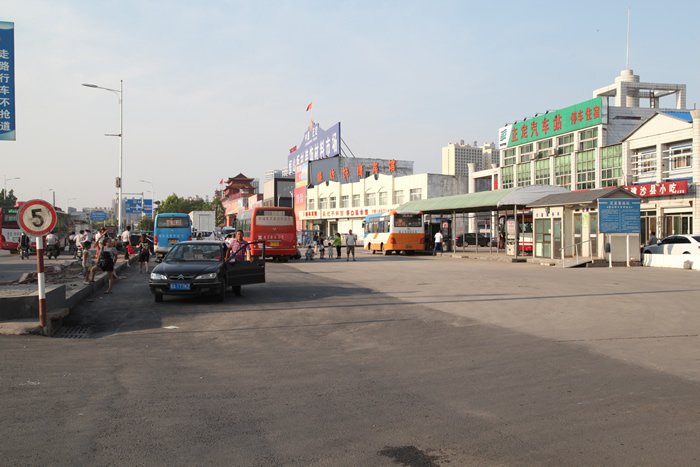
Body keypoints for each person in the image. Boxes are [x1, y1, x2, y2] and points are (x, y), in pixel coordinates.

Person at [225, 230, 251, 297]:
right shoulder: (233, 242)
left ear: (243, 235)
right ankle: (233, 289)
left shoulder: (245, 243)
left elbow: (248, 250)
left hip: (240, 262)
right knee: (233, 276)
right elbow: (228, 249)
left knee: (238, 278)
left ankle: (238, 292)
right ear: (236, 235)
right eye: (238, 234)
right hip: (232, 262)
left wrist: (250, 258)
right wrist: (226, 258)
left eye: (240, 234)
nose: (239, 235)